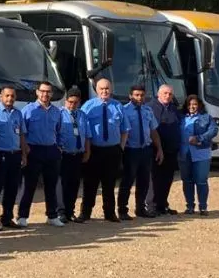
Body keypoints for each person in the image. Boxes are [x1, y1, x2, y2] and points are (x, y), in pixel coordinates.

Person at [77, 78, 129, 223]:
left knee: (110, 183)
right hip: (94, 150)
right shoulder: (88, 106)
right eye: (101, 89)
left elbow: (125, 129)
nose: (104, 91)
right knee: (90, 183)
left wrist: (121, 147)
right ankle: (85, 213)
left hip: (113, 151)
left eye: (107, 88)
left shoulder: (118, 106)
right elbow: (82, 128)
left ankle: (110, 213)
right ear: (96, 90)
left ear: (111, 89)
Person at [18, 81, 64, 227]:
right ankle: (22, 216)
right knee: (29, 185)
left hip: (51, 150)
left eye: (48, 91)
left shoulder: (56, 112)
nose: (45, 94)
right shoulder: (28, 110)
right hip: (34, 150)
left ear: (51, 94)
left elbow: (59, 130)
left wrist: (59, 147)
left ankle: (52, 215)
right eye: (43, 91)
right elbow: (22, 132)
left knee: (51, 185)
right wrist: (25, 150)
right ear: (37, 92)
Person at [118, 84, 163, 220]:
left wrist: (159, 148)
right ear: (130, 96)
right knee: (127, 180)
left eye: (142, 95)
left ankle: (140, 208)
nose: (139, 97)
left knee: (144, 181)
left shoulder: (147, 110)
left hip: (146, 150)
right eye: (136, 95)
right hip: (131, 150)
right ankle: (122, 210)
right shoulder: (124, 111)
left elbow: (153, 131)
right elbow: (121, 132)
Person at [0, 86, 26, 230]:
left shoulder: (18, 114)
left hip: (14, 155)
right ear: (1, 96)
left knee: (12, 189)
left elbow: (21, 134)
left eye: (12, 96)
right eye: (7, 95)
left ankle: (7, 218)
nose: (10, 99)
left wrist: (24, 154)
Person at [180, 94, 218, 215]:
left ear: (199, 105)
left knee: (201, 180)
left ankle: (203, 207)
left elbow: (214, 130)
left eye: (194, 104)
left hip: (201, 154)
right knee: (187, 181)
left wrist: (199, 138)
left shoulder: (206, 117)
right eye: (189, 104)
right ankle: (190, 206)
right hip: (184, 154)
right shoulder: (181, 118)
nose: (192, 107)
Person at [57, 87, 90, 223]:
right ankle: (61, 212)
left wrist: (87, 151)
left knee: (74, 183)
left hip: (78, 154)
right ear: (66, 101)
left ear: (79, 102)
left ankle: (70, 211)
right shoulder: (59, 114)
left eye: (75, 102)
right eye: (70, 102)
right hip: (63, 154)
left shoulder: (82, 115)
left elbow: (87, 136)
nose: (72, 105)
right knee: (62, 184)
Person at [149, 84, 183, 215]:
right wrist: (158, 148)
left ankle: (162, 205)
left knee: (167, 179)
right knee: (154, 179)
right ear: (158, 94)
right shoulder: (151, 108)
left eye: (170, 94)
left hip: (171, 150)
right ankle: (151, 206)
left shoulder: (174, 109)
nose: (167, 96)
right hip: (155, 150)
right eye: (165, 93)